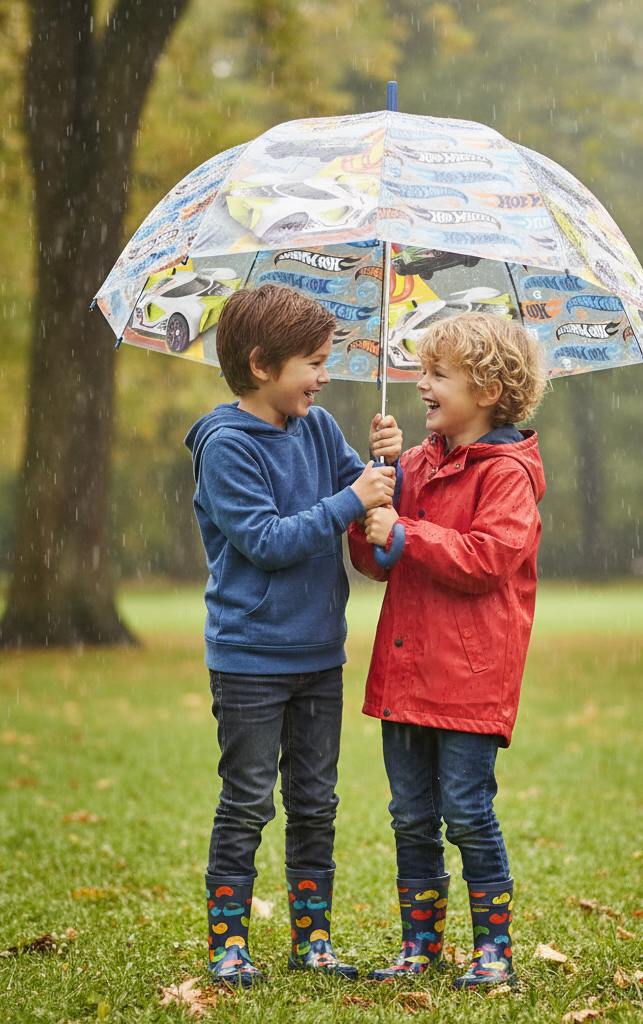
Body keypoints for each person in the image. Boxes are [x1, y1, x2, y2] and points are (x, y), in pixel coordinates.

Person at [184, 285, 402, 987]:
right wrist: (352, 498)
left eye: (327, 358)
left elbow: (366, 494)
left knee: (316, 801)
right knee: (247, 800)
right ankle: (229, 945)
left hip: (317, 653)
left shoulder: (316, 427)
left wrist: (387, 467)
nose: (326, 374)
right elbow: (265, 541)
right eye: (313, 361)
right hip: (250, 658)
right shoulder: (225, 447)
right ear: (260, 365)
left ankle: (313, 941)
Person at [348, 311, 546, 990]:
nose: (420, 384)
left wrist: (403, 530)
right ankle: (420, 945)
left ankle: (495, 950)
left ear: (488, 390)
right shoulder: (409, 466)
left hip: (469, 678)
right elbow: (378, 562)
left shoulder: (507, 475)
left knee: (465, 811)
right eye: (419, 371)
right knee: (410, 817)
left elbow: (487, 560)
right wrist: (372, 493)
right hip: (406, 672)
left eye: (437, 374)